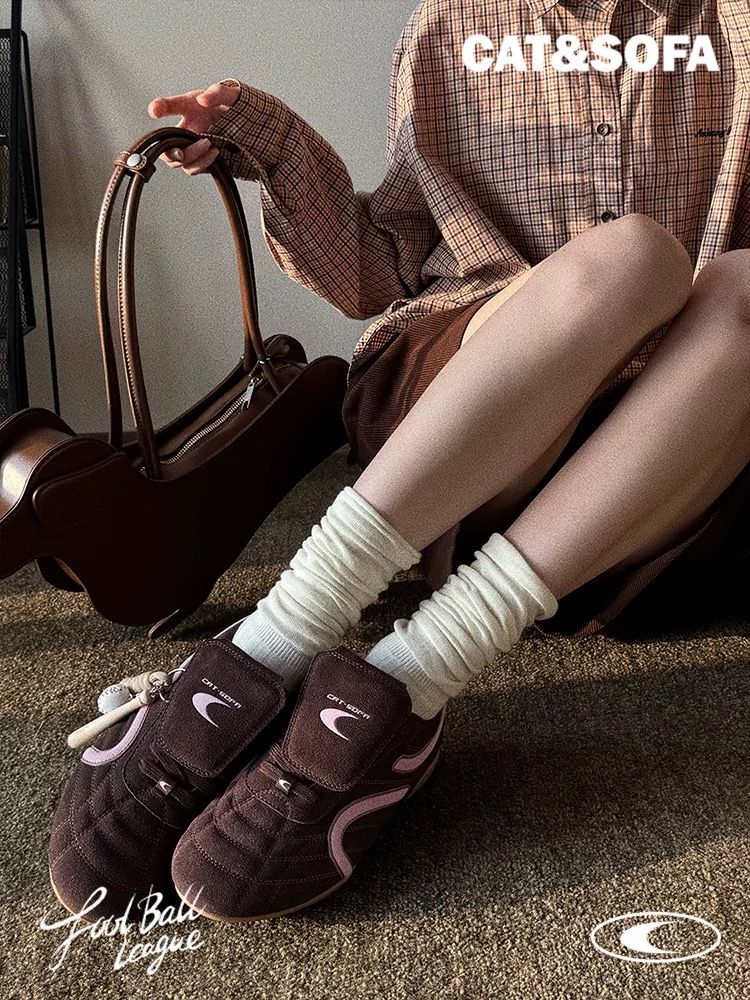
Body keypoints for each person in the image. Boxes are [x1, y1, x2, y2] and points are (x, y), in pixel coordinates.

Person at [49, 0, 750, 922]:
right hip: (455, 426)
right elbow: (375, 271)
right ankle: (272, 641)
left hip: (650, 486)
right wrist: (274, 146)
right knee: (629, 259)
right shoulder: (454, 24)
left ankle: (406, 690)